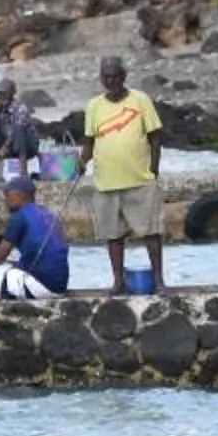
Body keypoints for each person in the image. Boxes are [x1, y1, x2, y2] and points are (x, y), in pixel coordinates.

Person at [83, 53, 166, 294]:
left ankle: (159, 281)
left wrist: (154, 168)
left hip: (140, 179)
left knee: (151, 231)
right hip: (107, 182)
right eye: (106, 77)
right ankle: (118, 282)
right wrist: (80, 162)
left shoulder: (140, 100)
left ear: (124, 77)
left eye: (115, 76)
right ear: (101, 79)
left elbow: (156, 137)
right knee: (113, 235)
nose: (111, 81)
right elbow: (89, 141)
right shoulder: (94, 106)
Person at [0, 173, 69, 310]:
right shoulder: (48, 213)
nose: (6, 199)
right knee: (9, 265)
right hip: (59, 286)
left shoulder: (19, 217)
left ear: (22, 195)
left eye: (9, 194)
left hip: (40, 287)